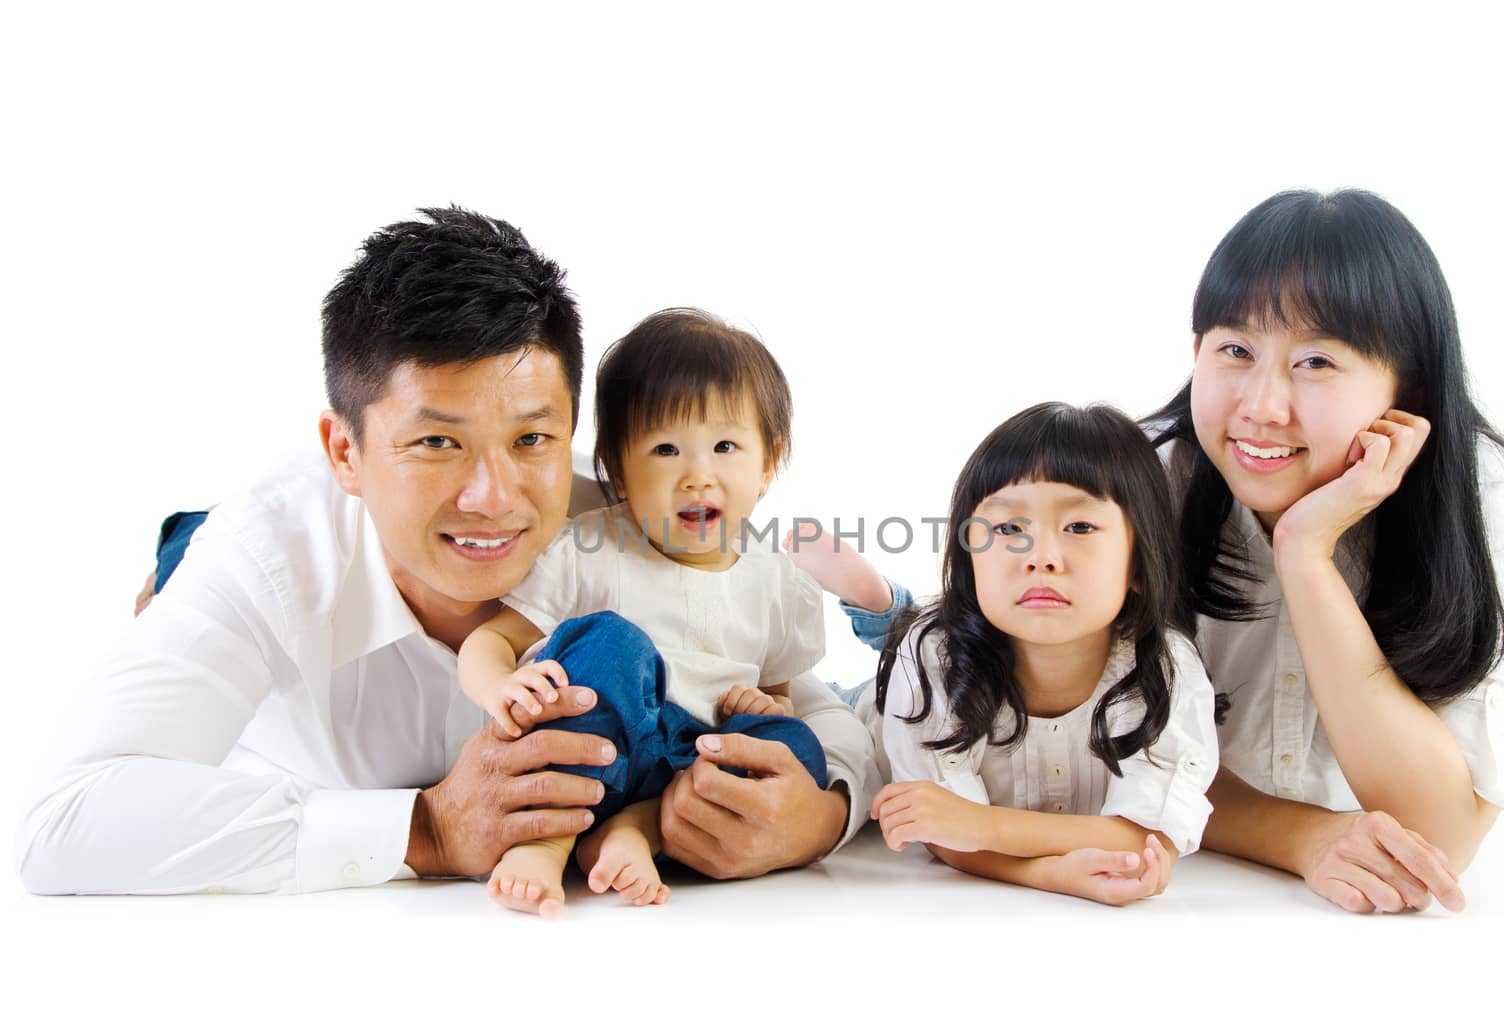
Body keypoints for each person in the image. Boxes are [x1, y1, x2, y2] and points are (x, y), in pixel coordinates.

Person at [14, 208, 876, 896]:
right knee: (200, 568)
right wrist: (424, 829)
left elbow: (810, 695)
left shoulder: (622, 518)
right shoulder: (264, 561)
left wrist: (821, 815)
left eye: (534, 438)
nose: (495, 496)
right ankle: (182, 543)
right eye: (437, 443)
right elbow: (62, 824)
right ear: (344, 450)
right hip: (272, 572)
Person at [793, 188, 1504, 914]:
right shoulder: (1148, 485)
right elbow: (1131, 752)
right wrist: (1299, 837)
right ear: (1196, 349)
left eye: (1318, 362)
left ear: (1412, 392)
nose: (1262, 408)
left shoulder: (1482, 500)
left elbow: (1440, 833)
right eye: (1236, 351)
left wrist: (1306, 554)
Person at [457, 309, 830, 916]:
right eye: (664, 449)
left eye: (726, 446)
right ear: (618, 469)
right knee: (611, 643)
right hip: (599, 745)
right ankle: (546, 840)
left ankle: (634, 831)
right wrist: (501, 684)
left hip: (690, 772)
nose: (698, 476)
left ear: (768, 462)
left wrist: (768, 706)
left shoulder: (777, 581)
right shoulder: (592, 548)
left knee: (797, 748)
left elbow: (777, 689)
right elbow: (492, 640)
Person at [811, 402, 1220, 906]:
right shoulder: (931, 658)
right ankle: (879, 607)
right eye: (1008, 530)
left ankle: (885, 610)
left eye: (1080, 528)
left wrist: (985, 828)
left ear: (1140, 561)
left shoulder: (1163, 669)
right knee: (819, 717)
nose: (1041, 557)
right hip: (872, 720)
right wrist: (1055, 872)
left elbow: (1146, 839)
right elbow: (943, 833)